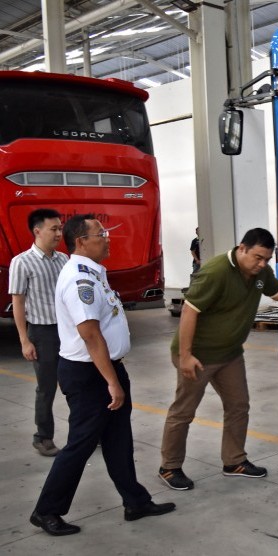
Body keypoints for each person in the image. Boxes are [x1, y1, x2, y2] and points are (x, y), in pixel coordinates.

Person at [159, 228, 278, 490]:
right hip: (199, 355)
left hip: (230, 353)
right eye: (257, 257)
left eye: (266, 259)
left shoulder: (260, 272)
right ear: (241, 248)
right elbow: (189, 311)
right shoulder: (216, 272)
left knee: (238, 406)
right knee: (184, 411)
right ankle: (169, 467)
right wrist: (185, 356)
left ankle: (234, 461)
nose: (262, 264)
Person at [30, 214, 175, 536]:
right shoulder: (78, 279)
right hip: (89, 375)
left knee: (118, 439)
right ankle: (46, 510)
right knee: (81, 443)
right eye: (101, 233)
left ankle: (135, 501)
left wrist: (114, 375)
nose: (107, 238)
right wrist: (111, 382)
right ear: (81, 241)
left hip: (105, 369)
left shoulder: (94, 274)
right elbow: (90, 334)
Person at [9, 209, 69, 457]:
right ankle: (42, 436)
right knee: (46, 387)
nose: (59, 233)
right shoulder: (22, 262)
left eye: (60, 228)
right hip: (42, 333)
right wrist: (25, 340)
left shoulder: (64, 259)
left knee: (77, 383)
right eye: (53, 229)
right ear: (37, 231)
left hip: (68, 331)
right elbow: (18, 302)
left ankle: (85, 432)